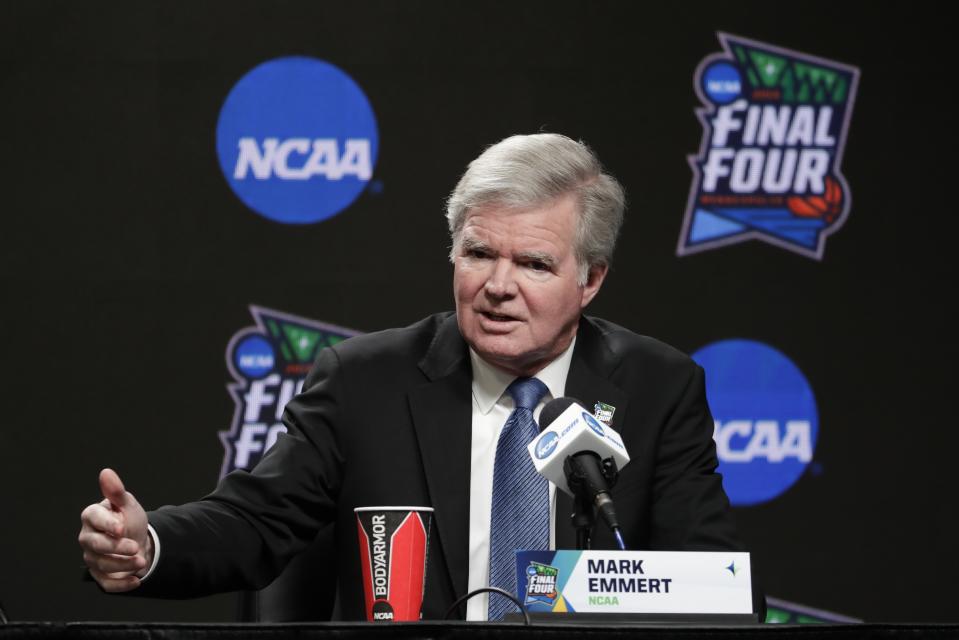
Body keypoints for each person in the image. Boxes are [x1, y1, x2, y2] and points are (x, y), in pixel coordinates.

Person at [79, 133, 747, 621]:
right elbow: (254, 520)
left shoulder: (659, 388)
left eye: (535, 265)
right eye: (479, 253)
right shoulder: (364, 382)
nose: (497, 287)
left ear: (591, 278)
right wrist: (149, 544)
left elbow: (717, 589)